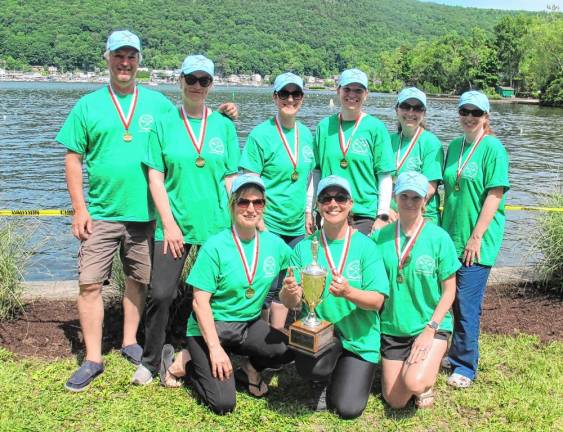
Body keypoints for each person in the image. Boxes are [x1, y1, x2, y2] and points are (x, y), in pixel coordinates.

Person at [56, 30, 177, 392]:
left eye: (132, 57)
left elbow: (188, 132)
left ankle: (129, 342)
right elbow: (73, 159)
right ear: (107, 58)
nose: (125, 63)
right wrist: (79, 208)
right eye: (119, 56)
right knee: (89, 283)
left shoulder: (158, 104)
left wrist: (223, 116)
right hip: (102, 213)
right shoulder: (88, 105)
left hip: (144, 215)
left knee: (138, 281)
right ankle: (93, 359)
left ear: (139, 61)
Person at [131, 55, 241, 385]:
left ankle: (204, 348)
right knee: (162, 294)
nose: (196, 86)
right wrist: (170, 223)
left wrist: (237, 224)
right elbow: (155, 178)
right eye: (190, 79)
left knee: (216, 294)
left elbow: (230, 179)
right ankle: (151, 361)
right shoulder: (164, 123)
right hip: (173, 224)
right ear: (180, 81)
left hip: (216, 224)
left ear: (211, 84)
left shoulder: (224, 125)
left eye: (203, 80)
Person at [180, 175, 293, 414]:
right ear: (232, 206)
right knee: (223, 403)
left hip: (247, 325)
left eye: (258, 202)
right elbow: (199, 303)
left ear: (264, 206)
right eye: (243, 202)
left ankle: (250, 369)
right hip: (211, 328)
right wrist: (214, 349)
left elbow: (301, 260)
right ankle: (189, 364)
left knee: (284, 349)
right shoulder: (215, 246)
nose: (251, 208)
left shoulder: (274, 244)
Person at [281, 175, 389, 419]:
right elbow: (292, 302)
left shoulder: (366, 247)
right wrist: (289, 293)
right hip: (322, 334)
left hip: (359, 339)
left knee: (347, 409)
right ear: (318, 205)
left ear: (350, 204)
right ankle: (322, 377)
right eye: (326, 198)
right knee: (311, 367)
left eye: (340, 197)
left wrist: (349, 292)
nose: (333, 203)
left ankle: (347, 372)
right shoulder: (303, 247)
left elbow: (377, 301)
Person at [372, 171, 459, 408]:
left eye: (416, 197)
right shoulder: (380, 238)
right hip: (394, 326)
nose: (409, 203)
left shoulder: (439, 238)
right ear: (395, 198)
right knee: (395, 401)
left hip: (430, 325)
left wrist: (430, 329)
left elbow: (450, 291)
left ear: (425, 200)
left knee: (415, 383)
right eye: (404, 196)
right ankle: (411, 368)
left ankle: (423, 380)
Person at [441, 91, 510, 388]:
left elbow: (495, 195)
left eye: (476, 113)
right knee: (450, 299)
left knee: (467, 303)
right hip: (451, 235)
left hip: (477, 240)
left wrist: (476, 236)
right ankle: (455, 352)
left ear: (486, 117)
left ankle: (466, 366)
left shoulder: (493, 148)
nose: (469, 117)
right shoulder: (455, 145)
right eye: (464, 111)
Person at [240, 72, 315, 330]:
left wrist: (308, 212)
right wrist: (258, 221)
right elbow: (249, 183)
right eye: (284, 94)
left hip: (296, 226)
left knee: (289, 282)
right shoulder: (260, 135)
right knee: (265, 286)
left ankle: (278, 336)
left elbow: (308, 179)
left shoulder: (307, 135)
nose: (290, 99)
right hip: (268, 223)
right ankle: (256, 342)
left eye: (296, 94)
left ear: (302, 99)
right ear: (275, 97)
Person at [312, 68, 395, 235]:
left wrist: (382, 214)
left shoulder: (376, 128)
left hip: (363, 213)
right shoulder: (324, 127)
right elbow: (316, 172)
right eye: (347, 89)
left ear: (366, 94)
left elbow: (384, 175)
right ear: (338, 91)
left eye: (358, 90)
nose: (352, 95)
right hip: (330, 209)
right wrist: (312, 209)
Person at [389, 87, 444, 225]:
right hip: (389, 215)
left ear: (424, 113)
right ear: (397, 110)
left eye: (417, 108)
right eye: (405, 106)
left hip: (422, 216)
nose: (411, 112)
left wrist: (404, 214)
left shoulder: (431, 143)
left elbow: (430, 188)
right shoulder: (387, 141)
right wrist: (385, 209)